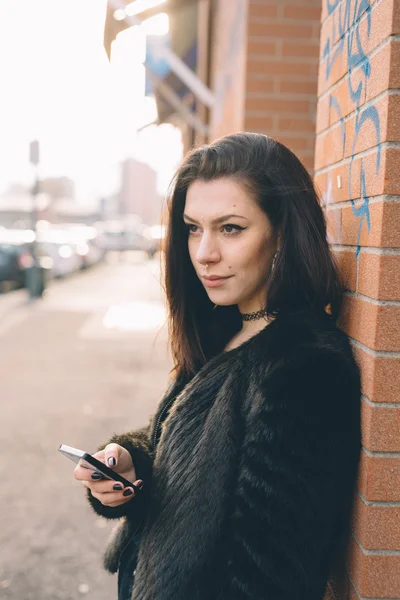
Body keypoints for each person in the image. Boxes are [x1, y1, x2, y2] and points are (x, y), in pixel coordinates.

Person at [74, 132, 361, 600]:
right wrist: (126, 463)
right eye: (192, 228)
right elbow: (185, 452)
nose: (204, 252)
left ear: (283, 232)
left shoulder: (303, 370)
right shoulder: (225, 328)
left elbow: (270, 579)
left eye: (230, 228)